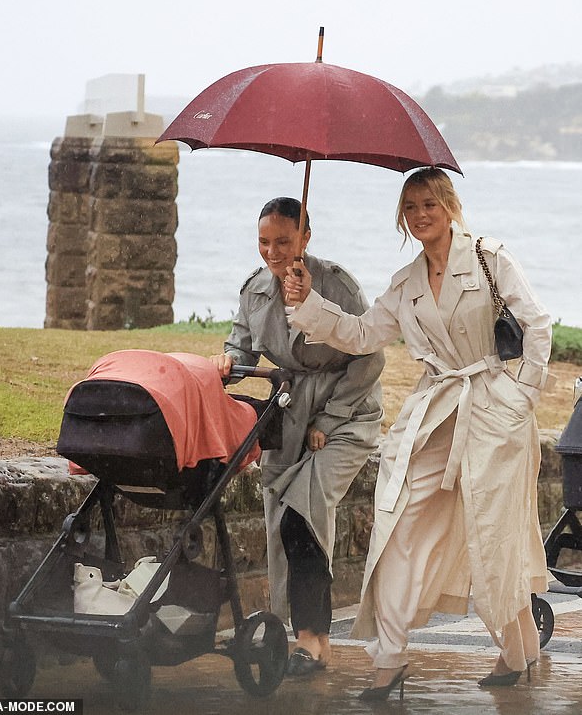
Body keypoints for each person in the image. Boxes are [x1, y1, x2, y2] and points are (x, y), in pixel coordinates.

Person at [284, 168, 553, 700]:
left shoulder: (489, 259)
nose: (420, 213)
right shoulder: (405, 283)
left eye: (429, 202)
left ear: (450, 205)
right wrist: (307, 300)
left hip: (496, 413)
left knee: (496, 534)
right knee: (398, 523)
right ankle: (389, 659)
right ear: (402, 217)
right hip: (436, 413)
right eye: (410, 206)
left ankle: (516, 650)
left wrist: (521, 397)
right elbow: (362, 334)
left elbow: (537, 326)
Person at [210, 197, 384, 676]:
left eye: (283, 241)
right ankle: (304, 634)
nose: (272, 251)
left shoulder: (338, 285)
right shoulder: (255, 290)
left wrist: (329, 421)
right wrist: (228, 362)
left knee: (300, 517)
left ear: (306, 237)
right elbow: (239, 342)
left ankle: (311, 642)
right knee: (279, 525)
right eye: (264, 241)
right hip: (286, 419)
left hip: (346, 419)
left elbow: (370, 357)